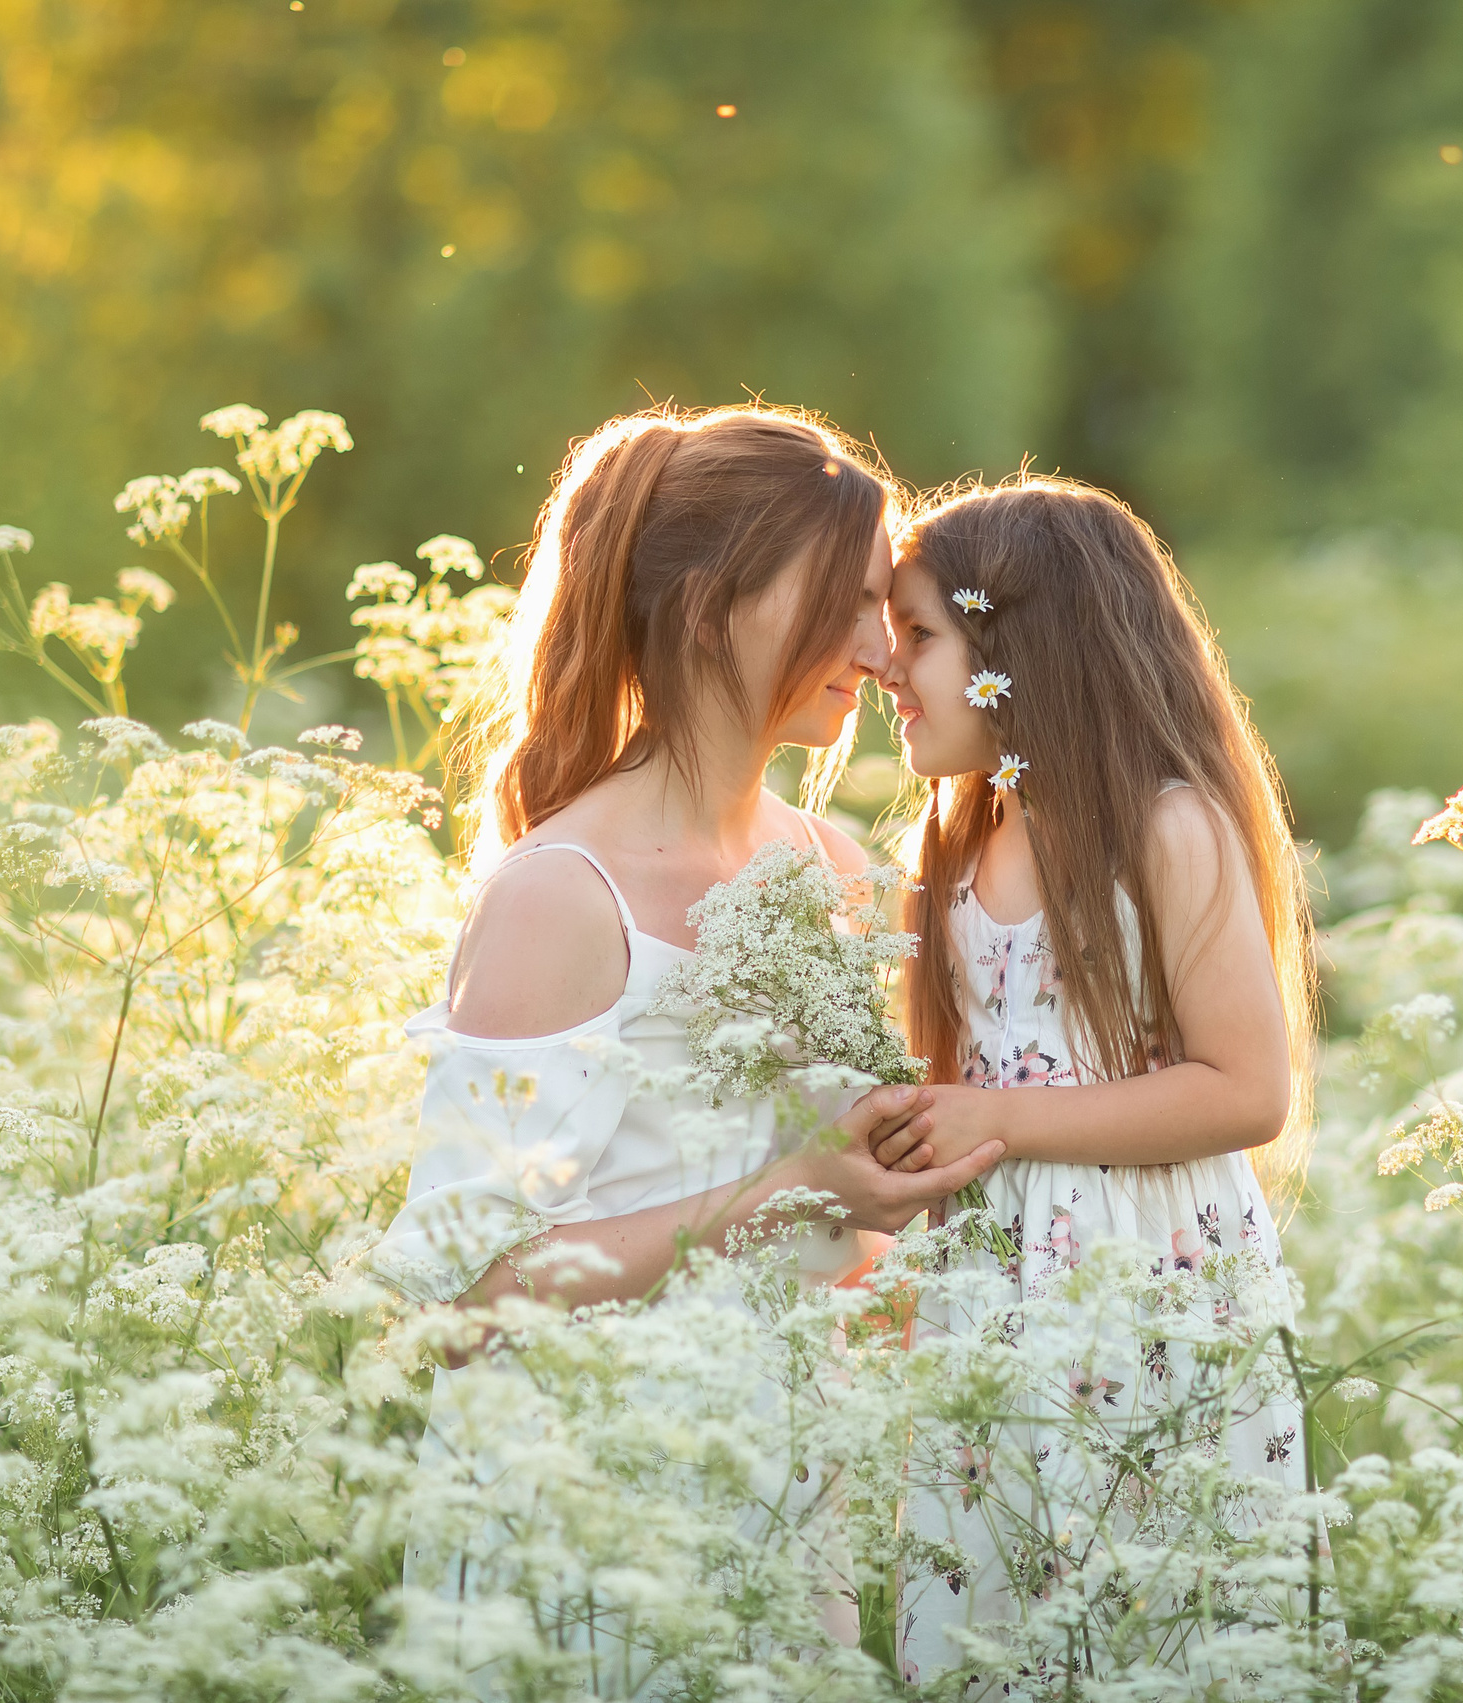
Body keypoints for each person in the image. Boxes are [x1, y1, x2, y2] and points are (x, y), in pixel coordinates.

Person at [361, 405, 1003, 1680]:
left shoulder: (836, 869)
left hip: (782, 1483)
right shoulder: (563, 893)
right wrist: (791, 1189)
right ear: (711, 607)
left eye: (886, 607)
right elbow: (467, 1300)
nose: (882, 648)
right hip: (577, 1502)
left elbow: (851, 1233)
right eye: (846, 601)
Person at [869, 476, 1319, 1683]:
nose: (885, 665)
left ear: (1015, 651)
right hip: (992, 1275)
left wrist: (1000, 1119)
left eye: (918, 634)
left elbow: (1246, 1089)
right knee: (995, 1605)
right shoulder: (955, 838)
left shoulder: (1166, 828)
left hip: (1143, 1270)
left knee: (1148, 1606)